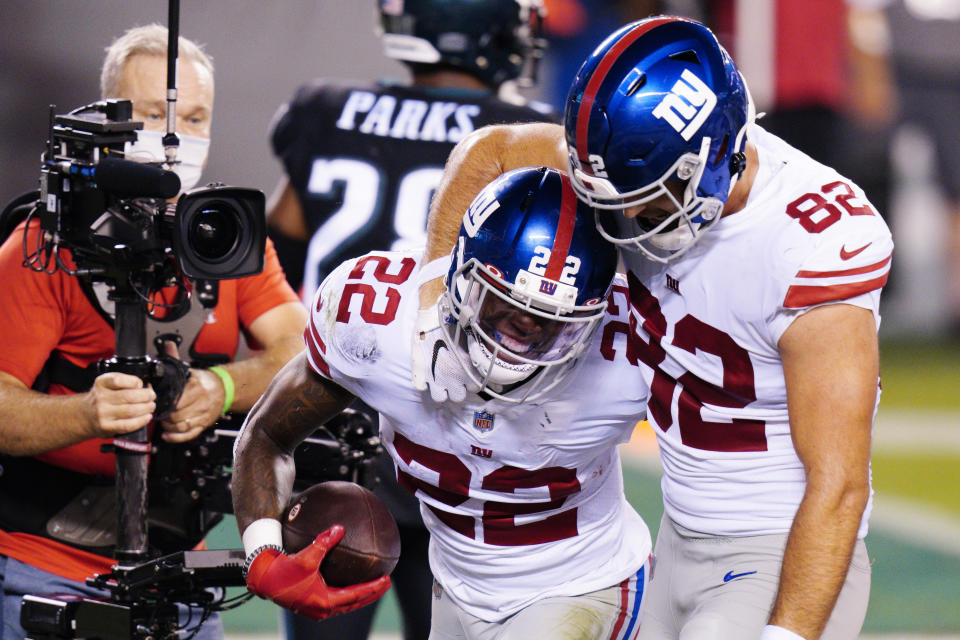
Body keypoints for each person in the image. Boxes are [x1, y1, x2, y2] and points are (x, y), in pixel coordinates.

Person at [411, 16, 893, 640]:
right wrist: (430, 300)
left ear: (714, 157)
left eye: (649, 200)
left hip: (780, 548)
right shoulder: (631, 168)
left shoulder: (813, 242)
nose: (625, 221)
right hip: (675, 533)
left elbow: (839, 486)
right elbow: (491, 150)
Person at [233, 167, 653, 640]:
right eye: (507, 304)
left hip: (586, 584)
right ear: (457, 272)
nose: (524, 334)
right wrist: (263, 554)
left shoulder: (631, 348)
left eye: (552, 322)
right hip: (456, 587)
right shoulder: (378, 321)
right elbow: (267, 436)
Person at [0, 24, 306, 640]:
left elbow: (301, 351)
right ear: (105, 119)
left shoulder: (227, 240)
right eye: (149, 115)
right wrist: (89, 413)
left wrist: (220, 387)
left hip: (183, 580)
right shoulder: (42, 247)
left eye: (195, 119)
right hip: (48, 572)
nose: (175, 139)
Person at [264, 2, 555, 638]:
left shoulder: (325, 110)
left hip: (335, 412)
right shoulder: (529, 135)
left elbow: (277, 255)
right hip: (453, 420)